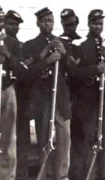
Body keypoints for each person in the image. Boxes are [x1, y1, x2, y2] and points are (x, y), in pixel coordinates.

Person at [22, 7, 77, 180]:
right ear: (38, 23)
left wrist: (65, 53)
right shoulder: (30, 45)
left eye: (50, 21)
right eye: (44, 21)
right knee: (44, 137)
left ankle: (62, 175)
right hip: (42, 97)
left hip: (60, 97)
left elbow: (74, 71)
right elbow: (27, 73)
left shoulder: (64, 42)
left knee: (64, 138)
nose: (48, 24)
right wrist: (47, 60)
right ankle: (46, 174)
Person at [73, 9, 105, 180]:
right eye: (94, 23)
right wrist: (95, 69)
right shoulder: (80, 45)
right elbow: (74, 72)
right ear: (88, 24)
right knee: (90, 139)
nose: (97, 27)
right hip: (89, 100)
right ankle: (91, 172)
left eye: (100, 24)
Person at [0, 6, 28, 180]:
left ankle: (7, 176)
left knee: (9, 139)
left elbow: (23, 70)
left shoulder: (12, 42)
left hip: (7, 91)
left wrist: (8, 55)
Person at [58, 8, 84, 180]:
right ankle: (64, 172)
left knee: (80, 134)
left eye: (73, 24)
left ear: (77, 23)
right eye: (67, 24)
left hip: (81, 93)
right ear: (62, 24)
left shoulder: (82, 42)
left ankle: (79, 171)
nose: (70, 27)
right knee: (64, 135)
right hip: (64, 93)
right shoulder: (57, 42)